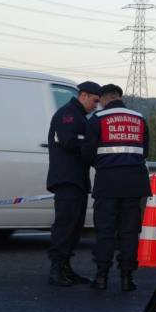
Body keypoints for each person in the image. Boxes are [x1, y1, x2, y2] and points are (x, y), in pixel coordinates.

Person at [82, 84, 151, 291]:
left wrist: (104, 164)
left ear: (103, 99)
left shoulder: (98, 119)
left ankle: (101, 277)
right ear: (120, 97)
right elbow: (145, 151)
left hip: (108, 182)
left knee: (105, 231)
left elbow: (87, 153)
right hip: (135, 182)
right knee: (129, 232)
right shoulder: (139, 118)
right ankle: (127, 278)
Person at [46, 81, 101, 286]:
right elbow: (69, 141)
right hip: (67, 179)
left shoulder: (79, 116)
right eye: (95, 100)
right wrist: (90, 145)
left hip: (77, 179)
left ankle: (66, 267)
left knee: (75, 226)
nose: (96, 105)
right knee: (65, 224)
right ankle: (56, 269)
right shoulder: (68, 114)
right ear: (84, 95)